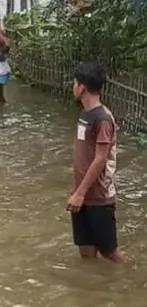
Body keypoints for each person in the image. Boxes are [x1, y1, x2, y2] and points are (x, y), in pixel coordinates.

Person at [67, 62, 125, 263]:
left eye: (75, 83)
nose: (73, 86)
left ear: (82, 87)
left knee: (110, 253)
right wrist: (75, 190)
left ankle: (134, 276)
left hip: (99, 197)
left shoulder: (102, 119)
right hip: (82, 196)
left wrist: (80, 193)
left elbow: (100, 159)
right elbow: (82, 157)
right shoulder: (85, 115)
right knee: (86, 251)